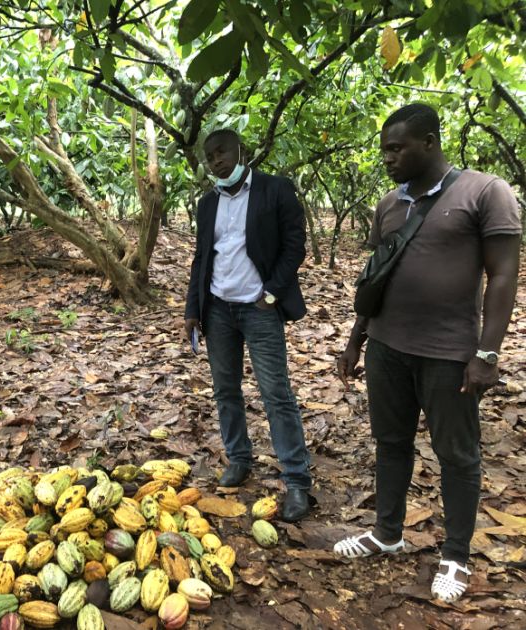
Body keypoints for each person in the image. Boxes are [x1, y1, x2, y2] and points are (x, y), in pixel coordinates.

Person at [333, 103, 520, 603]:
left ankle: (455, 556)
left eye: (396, 148)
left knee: (456, 454)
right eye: (384, 150)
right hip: (387, 347)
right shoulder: (389, 204)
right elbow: (375, 277)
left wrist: (487, 354)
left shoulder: (485, 191)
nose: (387, 159)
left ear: (430, 142)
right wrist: (355, 340)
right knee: (390, 442)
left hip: (448, 353)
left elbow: (503, 275)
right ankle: (387, 533)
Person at [184, 129, 312, 522]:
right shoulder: (208, 203)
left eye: (222, 151)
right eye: (210, 156)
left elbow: (295, 245)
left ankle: (296, 479)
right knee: (225, 390)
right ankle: (239, 458)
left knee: (275, 392)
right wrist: (193, 308)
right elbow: (202, 255)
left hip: (259, 307)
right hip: (218, 309)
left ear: (242, 151)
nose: (216, 160)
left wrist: (271, 293)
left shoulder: (275, 190)